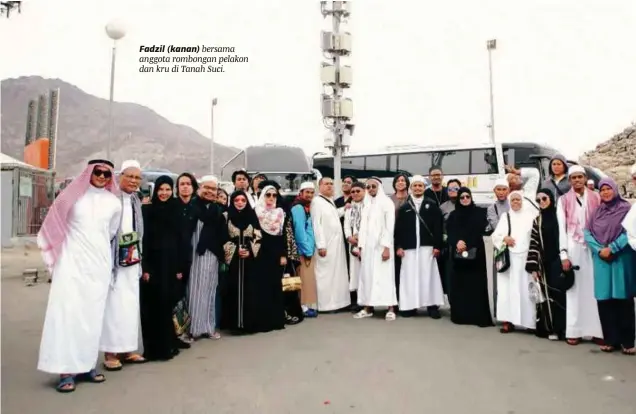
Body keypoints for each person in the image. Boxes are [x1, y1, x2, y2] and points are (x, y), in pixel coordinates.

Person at [37, 159, 122, 393]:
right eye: (98, 172)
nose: (102, 176)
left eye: (107, 173)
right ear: (89, 172)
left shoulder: (114, 203)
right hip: (71, 265)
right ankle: (65, 370)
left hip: (99, 266)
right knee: (69, 315)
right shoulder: (71, 197)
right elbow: (53, 224)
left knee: (93, 317)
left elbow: (111, 232)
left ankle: (86, 366)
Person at [101, 160, 146, 371]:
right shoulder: (110, 198)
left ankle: (128, 349)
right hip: (114, 261)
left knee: (130, 305)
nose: (134, 181)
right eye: (130, 176)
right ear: (120, 176)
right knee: (114, 307)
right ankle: (111, 352)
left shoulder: (136, 200)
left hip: (132, 259)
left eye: (137, 177)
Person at [584, 178, 635, 355]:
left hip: (621, 258)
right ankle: (610, 339)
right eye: (602, 190)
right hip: (602, 260)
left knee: (623, 300)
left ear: (615, 190)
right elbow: (587, 232)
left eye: (608, 189)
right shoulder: (597, 212)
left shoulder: (627, 209)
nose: (605, 193)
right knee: (605, 300)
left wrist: (613, 248)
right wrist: (599, 250)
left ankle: (627, 341)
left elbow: (631, 232)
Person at [140, 176, 188, 361]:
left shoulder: (176, 210)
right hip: (152, 264)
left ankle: (168, 345)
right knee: (152, 306)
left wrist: (179, 267)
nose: (164, 193)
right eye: (161, 189)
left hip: (170, 264)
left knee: (167, 305)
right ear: (155, 190)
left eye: (168, 189)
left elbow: (181, 241)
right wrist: (145, 267)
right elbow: (143, 240)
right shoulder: (147, 210)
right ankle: (153, 349)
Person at [556, 165, 603, 345]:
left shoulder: (596, 197)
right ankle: (574, 331)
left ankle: (596, 331)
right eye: (573, 178)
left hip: (593, 246)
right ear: (569, 181)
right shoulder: (563, 200)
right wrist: (564, 254)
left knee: (594, 289)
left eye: (579, 177)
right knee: (574, 290)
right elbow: (562, 228)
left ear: (584, 179)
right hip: (573, 246)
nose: (576, 180)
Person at [394, 175, 445, 318]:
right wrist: (399, 246)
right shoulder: (405, 207)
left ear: (424, 188)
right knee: (409, 277)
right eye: (415, 186)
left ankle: (432, 306)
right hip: (408, 249)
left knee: (429, 276)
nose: (417, 188)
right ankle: (409, 306)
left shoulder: (432, 204)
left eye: (420, 186)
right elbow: (399, 229)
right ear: (411, 188)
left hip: (427, 248)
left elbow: (438, 227)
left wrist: (437, 246)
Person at [220, 191, 268, 333]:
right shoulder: (226, 217)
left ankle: (249, 324)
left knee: (250, 291)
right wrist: (234, 251)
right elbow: (222, 237)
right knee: (234, 291)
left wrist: (250, 251)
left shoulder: (252, 216)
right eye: (236, 200)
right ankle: (235, 325)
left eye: (243, 200)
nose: (240, 203)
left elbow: (258, 235)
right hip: (233, 262)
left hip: (249, 261)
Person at [492, 191, 539, 333]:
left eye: (518, 199)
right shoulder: (506, 217)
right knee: (507, 291)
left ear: (522, 201)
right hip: (509, 261)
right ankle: (508, 321)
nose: (516, 202)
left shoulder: (531, 217)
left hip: (526, 259)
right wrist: (504, 238)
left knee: (526, 290)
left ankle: (529, 322)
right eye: (513, 200)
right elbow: (496, 236)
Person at [446, 187, 493, 327]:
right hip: (459, 256)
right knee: (460, 285)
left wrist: (469, 243)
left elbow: (483, 230)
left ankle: (477, 316)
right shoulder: (453, 215)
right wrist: (457, 242)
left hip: (477, 255)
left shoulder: (480, 212)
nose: (465, 199)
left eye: (467, 196)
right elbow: (450, 232)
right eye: (462, 197)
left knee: (476, 285)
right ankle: (461, 315)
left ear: (471, 197)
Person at [354, 177, 398, 321]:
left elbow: (389, 227)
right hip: (367, 249)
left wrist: (386, 247)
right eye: (368, 187)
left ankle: (390, 308)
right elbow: (363, 228)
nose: (371, 189)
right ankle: (368, 307)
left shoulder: (387, 203)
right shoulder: (366, 204)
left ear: (379, 187)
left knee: (385, 277)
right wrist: (360, 246)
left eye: (373, 186)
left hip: (382, 247)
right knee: (367, 277)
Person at [526, 188, 567, 340]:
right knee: (547, 296)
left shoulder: (560, 216)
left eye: (544, 198)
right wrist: (534, 267)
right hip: (545, 263)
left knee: (561, 295)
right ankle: (552, 328)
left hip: (561, 260)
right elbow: (534, 244)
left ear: (551, 198)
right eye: (538, 200)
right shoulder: (538, 220)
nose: (541, 202)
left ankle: (566, 328)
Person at [187, 175, 225, 340]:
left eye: (213, 189)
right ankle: (193, 329)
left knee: (210, 290)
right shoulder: (192, 207)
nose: (210, 191)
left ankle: (208, 327)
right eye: (207, 188)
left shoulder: (217, 210)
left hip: (212, 256)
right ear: (199, 188)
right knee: (194, 291)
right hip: (195, 254)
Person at [310, 177, 351, 312]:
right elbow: (317, 223)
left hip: (336, 245)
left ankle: (337, 303)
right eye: (326, 184)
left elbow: (333, 216)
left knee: (336, 275)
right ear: (319, 186)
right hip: (326, 245)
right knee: (325, 276)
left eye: (331, 184)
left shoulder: (329, 201)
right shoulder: (317, 201)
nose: (329, 186)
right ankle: (325, 305)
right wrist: (321, 245)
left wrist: (344, 209)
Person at [252, 185, 288, 332]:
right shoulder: (256, 212)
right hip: (260, 254)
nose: (271, 198)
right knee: (261, 287)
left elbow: (283, 236)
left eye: (274, 195)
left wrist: (283, 254)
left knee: (275, 286)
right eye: (268, 195)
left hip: (275, 254)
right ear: (263, 196)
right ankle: (263, 322)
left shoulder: (279, 213)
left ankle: (276, 320)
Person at [291, 182, 319, 318]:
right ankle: (302, 307)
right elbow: (299, 231)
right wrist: (307, 250)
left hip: (307, 249)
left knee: (306, 280)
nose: (309, 195)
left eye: (312, 192)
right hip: (303, 251)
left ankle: (305, 306)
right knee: (303, 280)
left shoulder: (305, 207)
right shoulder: (298, 208)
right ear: (300, 193)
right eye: (307, 192)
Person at [343, 181, 366, 313]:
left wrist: (361, 238)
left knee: (366, 272)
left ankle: (367, 301)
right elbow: (346, 225)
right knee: (355, 272)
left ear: (364, 192)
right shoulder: (349, 208)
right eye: (353, 192)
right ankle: (356, 300)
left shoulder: (369, 206)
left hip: (365, 244)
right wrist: (349, 237)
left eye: (358, 191)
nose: (355, 193)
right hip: (352, 244)